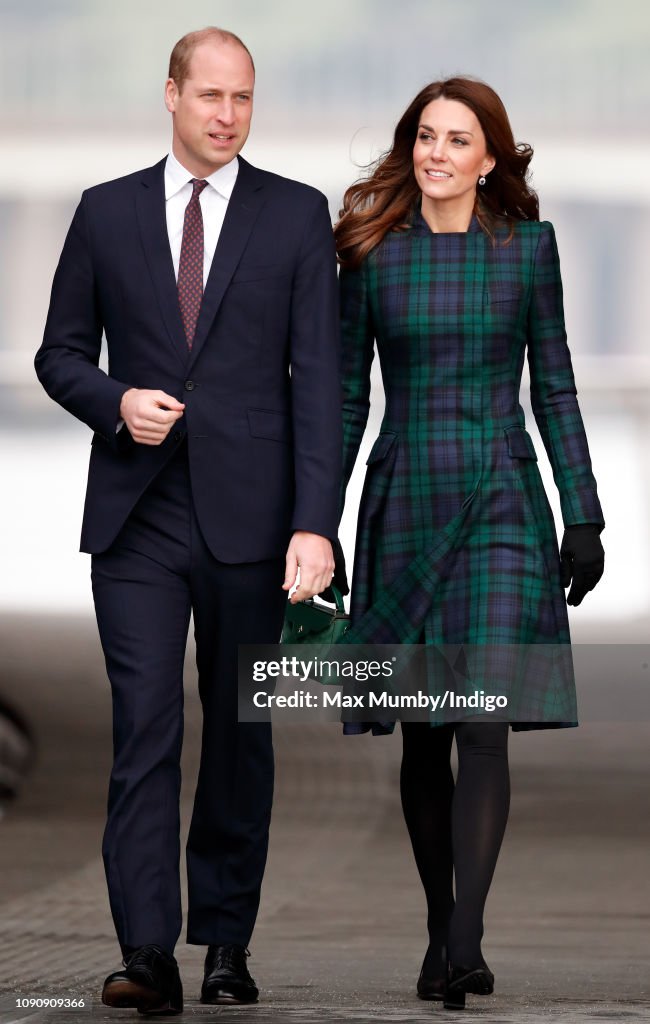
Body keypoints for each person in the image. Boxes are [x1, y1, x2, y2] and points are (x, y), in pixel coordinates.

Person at [35, 26, 342, 1015]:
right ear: (169, 94)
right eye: (208, 95)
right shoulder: (105, 213)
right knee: (145, 730)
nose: (225, 115)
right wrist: (115, 400)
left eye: (242, 98)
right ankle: (145, 951)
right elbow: (59, 353)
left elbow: (321, 389)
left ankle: (224, 942)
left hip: (254, 525)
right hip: (136, 519)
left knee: (242, 738)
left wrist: (314, 522)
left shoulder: (296, 217)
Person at [333, 77, 604, 1010]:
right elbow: (343, 401)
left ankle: (465, 940)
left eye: (458, 140)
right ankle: (438, 921)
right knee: (424, 733)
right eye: (425, 137)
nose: (437, 153)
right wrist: (315, 525)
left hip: (500, 498)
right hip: (406, 494)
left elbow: (557, 387)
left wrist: (585, 514)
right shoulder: (371, 255)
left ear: (490, 159)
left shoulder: (529, 251)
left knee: (482, 720)